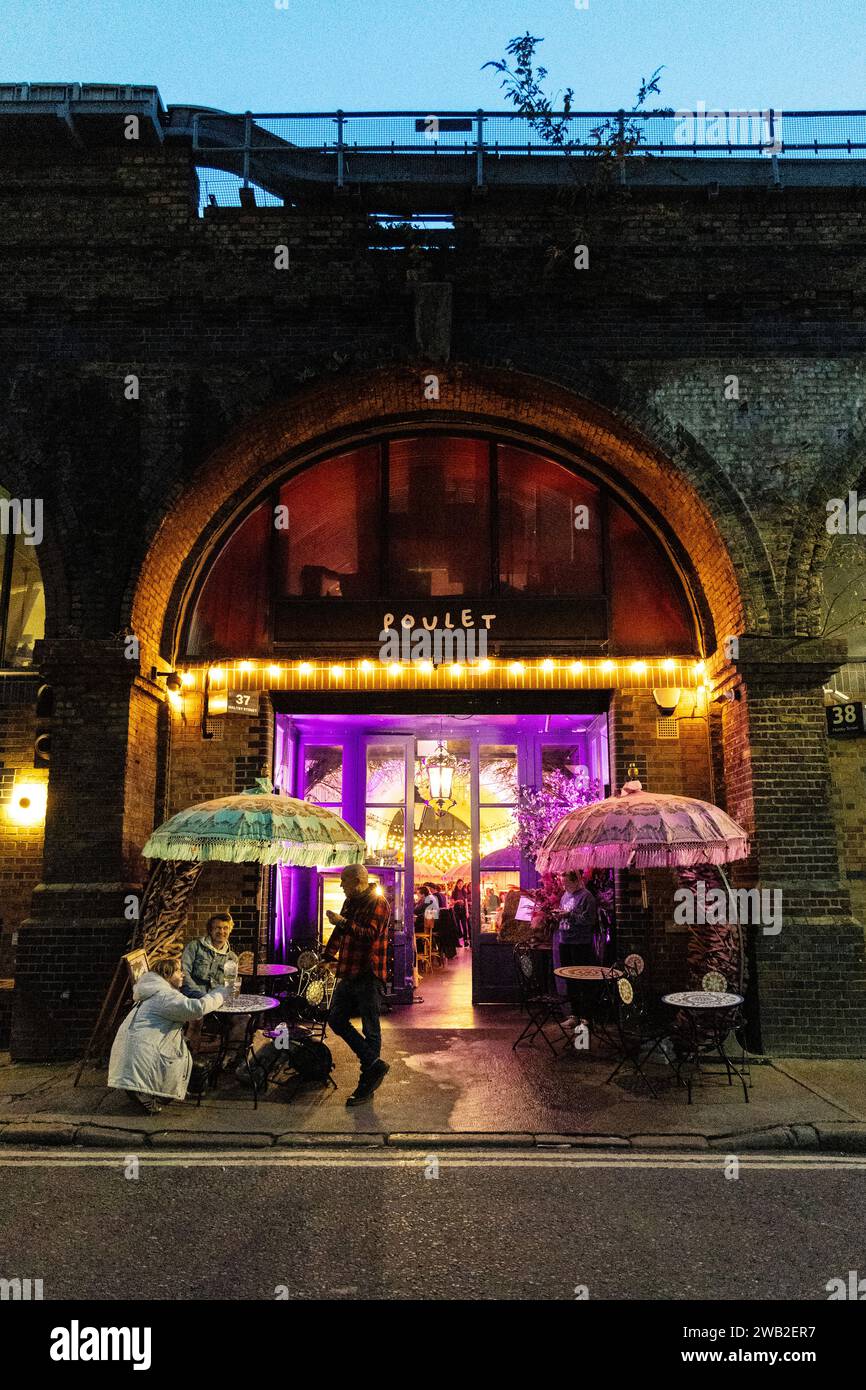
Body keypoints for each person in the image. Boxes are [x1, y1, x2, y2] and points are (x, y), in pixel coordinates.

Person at [108, 957, 226, 1115]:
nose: (183, 974)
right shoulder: (165, 996)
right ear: (166, 974)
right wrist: (221, 993)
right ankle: (148, 1095)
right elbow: (197, 1008)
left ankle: (144, 1093)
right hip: (144, 1051)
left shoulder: (152, 992)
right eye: (178, 971)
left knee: (184, 1054)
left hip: (136, 1049)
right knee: (187, 1063)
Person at [323, 864, 392, 1106]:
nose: (341, 885)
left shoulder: (378, 902)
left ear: (358, 880)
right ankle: (374, 1065)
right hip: (349, 971)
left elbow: (369, 934)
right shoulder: (350, 902)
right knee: (336, 1019)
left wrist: (343, 922)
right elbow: (339, 935)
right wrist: (327, 956)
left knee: (370, 1027)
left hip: (368, 972)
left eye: (344, 881)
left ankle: (366, 1083)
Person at [557, 870, 598, 1031]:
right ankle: (573, 1015)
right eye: (563, 883)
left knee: (582, 980)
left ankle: (586, 1017)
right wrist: (558, 916)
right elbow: (564, 914)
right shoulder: (564, 896)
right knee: (569, 980)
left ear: (576, 881)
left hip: (580, 943)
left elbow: (589, 920)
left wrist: (570, 915)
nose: (564, 886)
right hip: (564, 940)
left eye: (566, 883)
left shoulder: (587, 897)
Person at [181, 913, 238, 996]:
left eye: (225, 928)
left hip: (217, 1000)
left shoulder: (232, 958)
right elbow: (184, 973)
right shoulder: (194, 947)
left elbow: (229, 985)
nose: (222, 931)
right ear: (210, 930)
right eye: (218, 928)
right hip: (193, 998)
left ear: (230, 930)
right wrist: (200, 995)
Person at [451, 878, 470, 946]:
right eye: (459, 884)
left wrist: (467, 912)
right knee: (457, 926)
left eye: (462, 884)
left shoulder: (464, 891)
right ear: (457, 884)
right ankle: (458, 940)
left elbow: (466, 902)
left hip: (463, 910)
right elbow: (452, 902)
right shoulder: (454, 892)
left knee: (464, 925)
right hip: (456, 910)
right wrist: (457, 901)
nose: (460, 885)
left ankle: (465, 941)